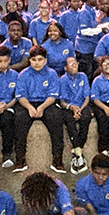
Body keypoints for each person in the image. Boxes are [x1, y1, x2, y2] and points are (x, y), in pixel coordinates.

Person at [13, 45, 65, 173]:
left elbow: (53, 96)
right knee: (19, 119)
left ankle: (57, 160)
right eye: (34, 60)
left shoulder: (52, 74)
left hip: (46, 103)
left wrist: (41, 107)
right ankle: (20, 159)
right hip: (27, 103)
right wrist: (30, 108)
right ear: (30, 60)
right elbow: (21, 96)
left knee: (57, 118)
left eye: (40, 60)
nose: (37, 63)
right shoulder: (23, 74)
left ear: (45, 60)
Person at [58, 56, 92, 175]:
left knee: (86, 117)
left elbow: (87, 97)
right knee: (69, 119)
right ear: (65, 68)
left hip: (82, 105)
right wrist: (72, 108)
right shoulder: (62, 79)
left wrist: (80, 109)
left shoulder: (83, 76)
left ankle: (77, 152)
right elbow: (62, 102)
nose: (74, 66)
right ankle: (79, 154)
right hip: (68, 107)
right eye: (71, 64)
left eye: (75, 64)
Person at [75, 0, 109, 79]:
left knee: (92, 75)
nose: (97, 0)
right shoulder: (84, 12)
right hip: (84, 50)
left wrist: (108, 24)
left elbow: (95, 27)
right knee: (86, 76)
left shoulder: (92, 11)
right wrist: (101, 29)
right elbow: (84, 31)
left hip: (92, 49)